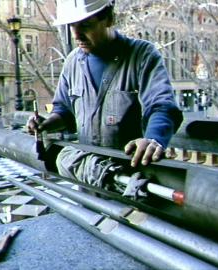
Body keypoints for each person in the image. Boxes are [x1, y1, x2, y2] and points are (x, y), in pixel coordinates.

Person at [28, 0, 183, 190]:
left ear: (109, 19)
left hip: (131, 180)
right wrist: (46, 123)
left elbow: (161, 106)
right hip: (88, 178)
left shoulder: (142, 55)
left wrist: (153, 138)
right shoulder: (72, 63)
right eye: (72, 26)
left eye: (85, 24)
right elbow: (65, 111)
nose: (76, 34)